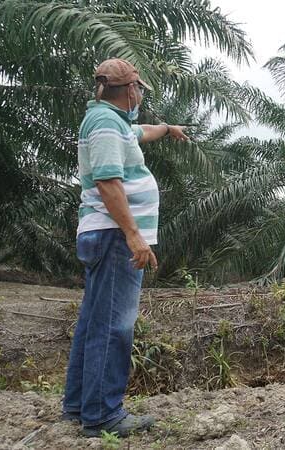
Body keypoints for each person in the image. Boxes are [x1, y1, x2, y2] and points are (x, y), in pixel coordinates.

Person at [61, 58, 189, 437]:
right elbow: (108, 182)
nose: (141, 96)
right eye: (140, 90)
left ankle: (78, 405)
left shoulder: (114, 122)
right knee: (114, 326)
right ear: (131, 90)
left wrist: (167, 129)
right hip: (115, 238)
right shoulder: (103, 124)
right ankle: (102, 414)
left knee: (93, 322)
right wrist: (134, 234)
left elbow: (141, 133)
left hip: (107, 235)